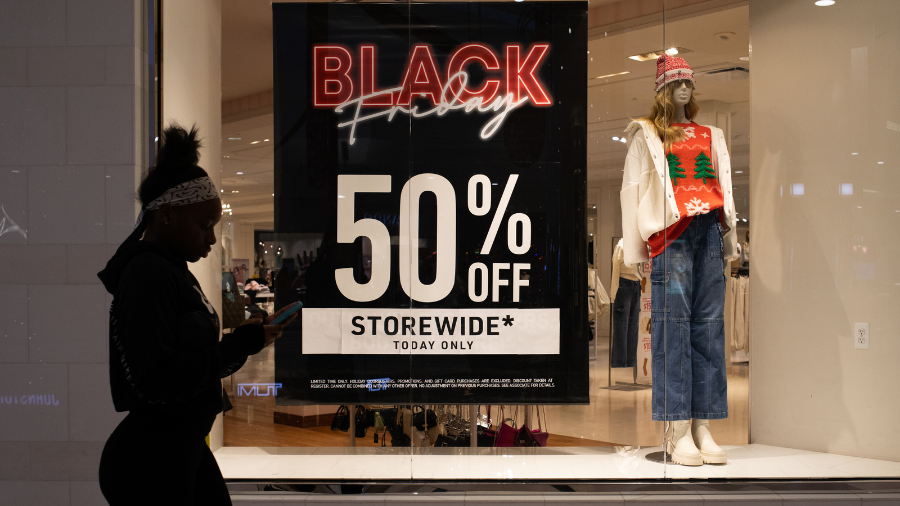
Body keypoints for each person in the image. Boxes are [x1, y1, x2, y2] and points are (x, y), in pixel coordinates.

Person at [96, 124, 296, 505]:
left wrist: (248, 340)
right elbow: (157, 379)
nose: (209, 239)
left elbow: (188, 364)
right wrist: (240, 343)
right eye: (205, 226)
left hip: (177, 447)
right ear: (167, 216)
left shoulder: (169, 271)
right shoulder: (147, 275)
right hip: (152, 461)